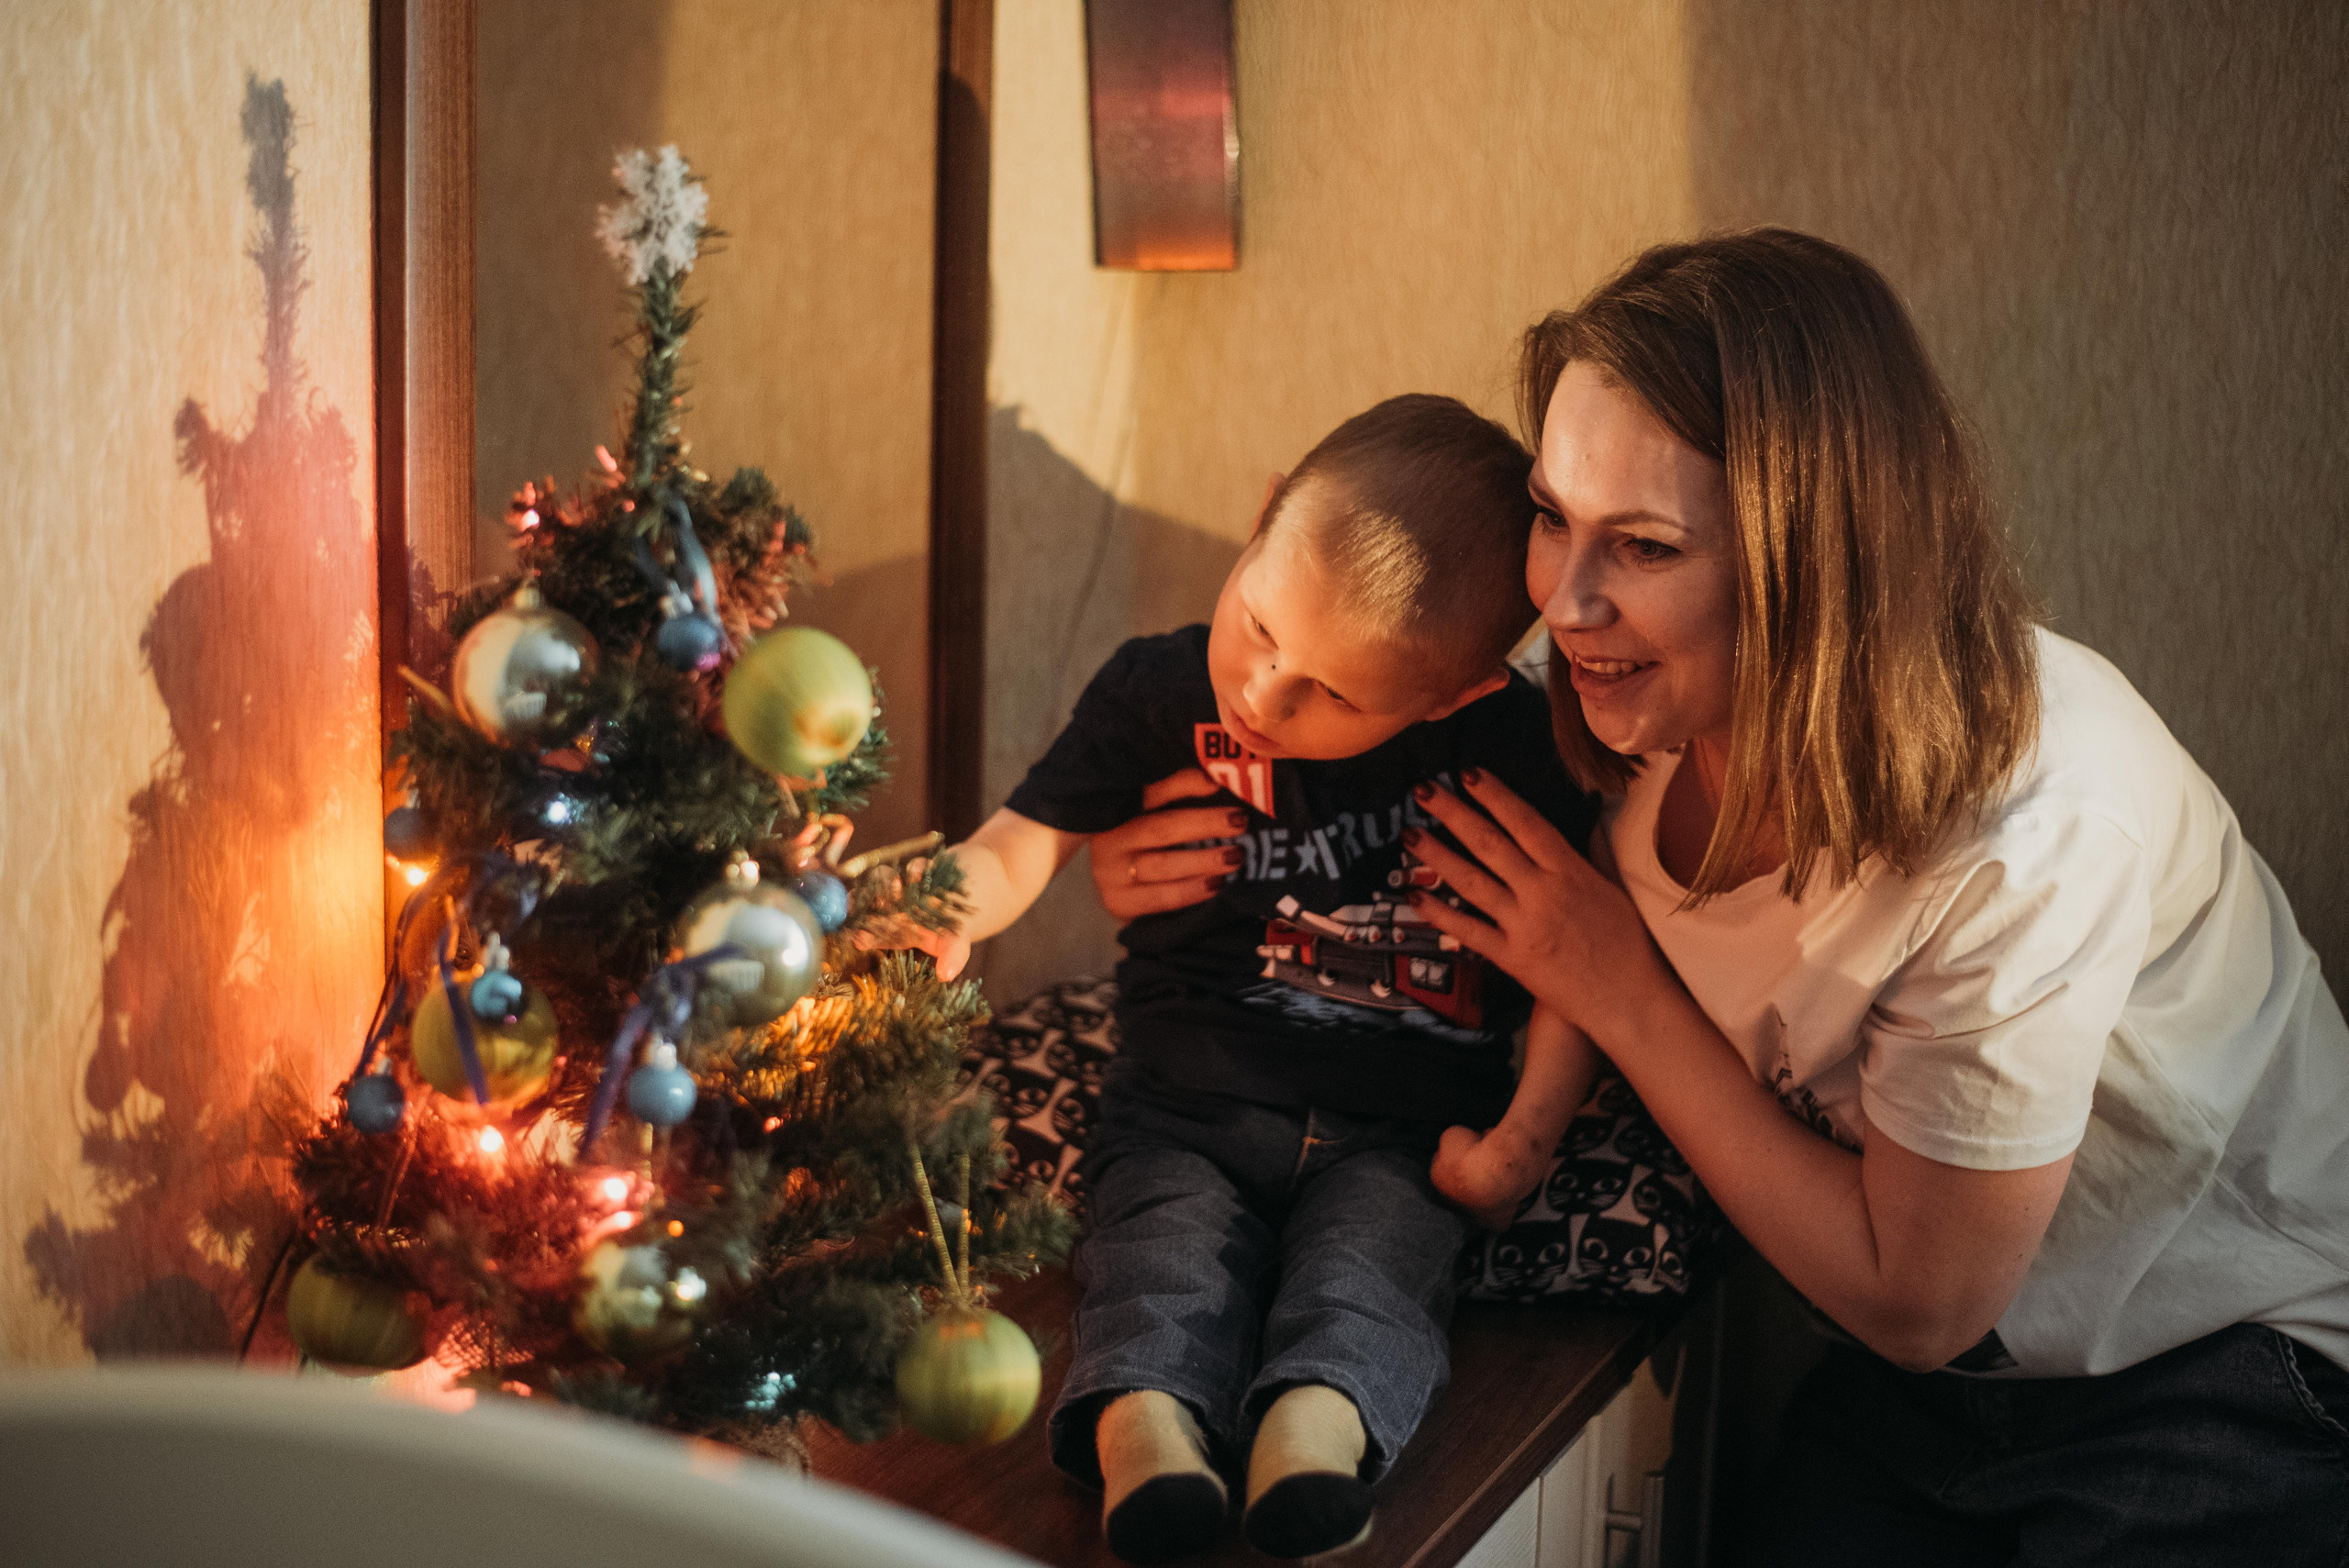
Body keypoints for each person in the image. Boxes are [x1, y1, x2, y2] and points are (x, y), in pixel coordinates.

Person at [1090, 230, 2349, 1564]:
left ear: (1814, 563)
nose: (1564, 605)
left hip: (2222, 1363)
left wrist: (1620, 988)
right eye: (1552, 516)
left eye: (1641, 545)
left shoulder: (2023, 829)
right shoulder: (1628, 724)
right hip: (1930, 1384)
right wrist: (1155, 862)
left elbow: (1918, 1298)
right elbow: (1350, 752)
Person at [899, 395, 1604, 1562]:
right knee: (1157, 1253)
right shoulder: (1156, 689)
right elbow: (1020, 839)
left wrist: (1525, 1134)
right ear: (1265, 510)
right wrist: (934, 908)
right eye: (1260, 625)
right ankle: (1147, 1435)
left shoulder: (1520, 745)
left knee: (1377, 1270)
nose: (1261, 697)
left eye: (1334, 693)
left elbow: (1584, 966)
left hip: (1405, 1124)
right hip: (1189, 1095)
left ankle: (1313, 1435)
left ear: (1453, 697)